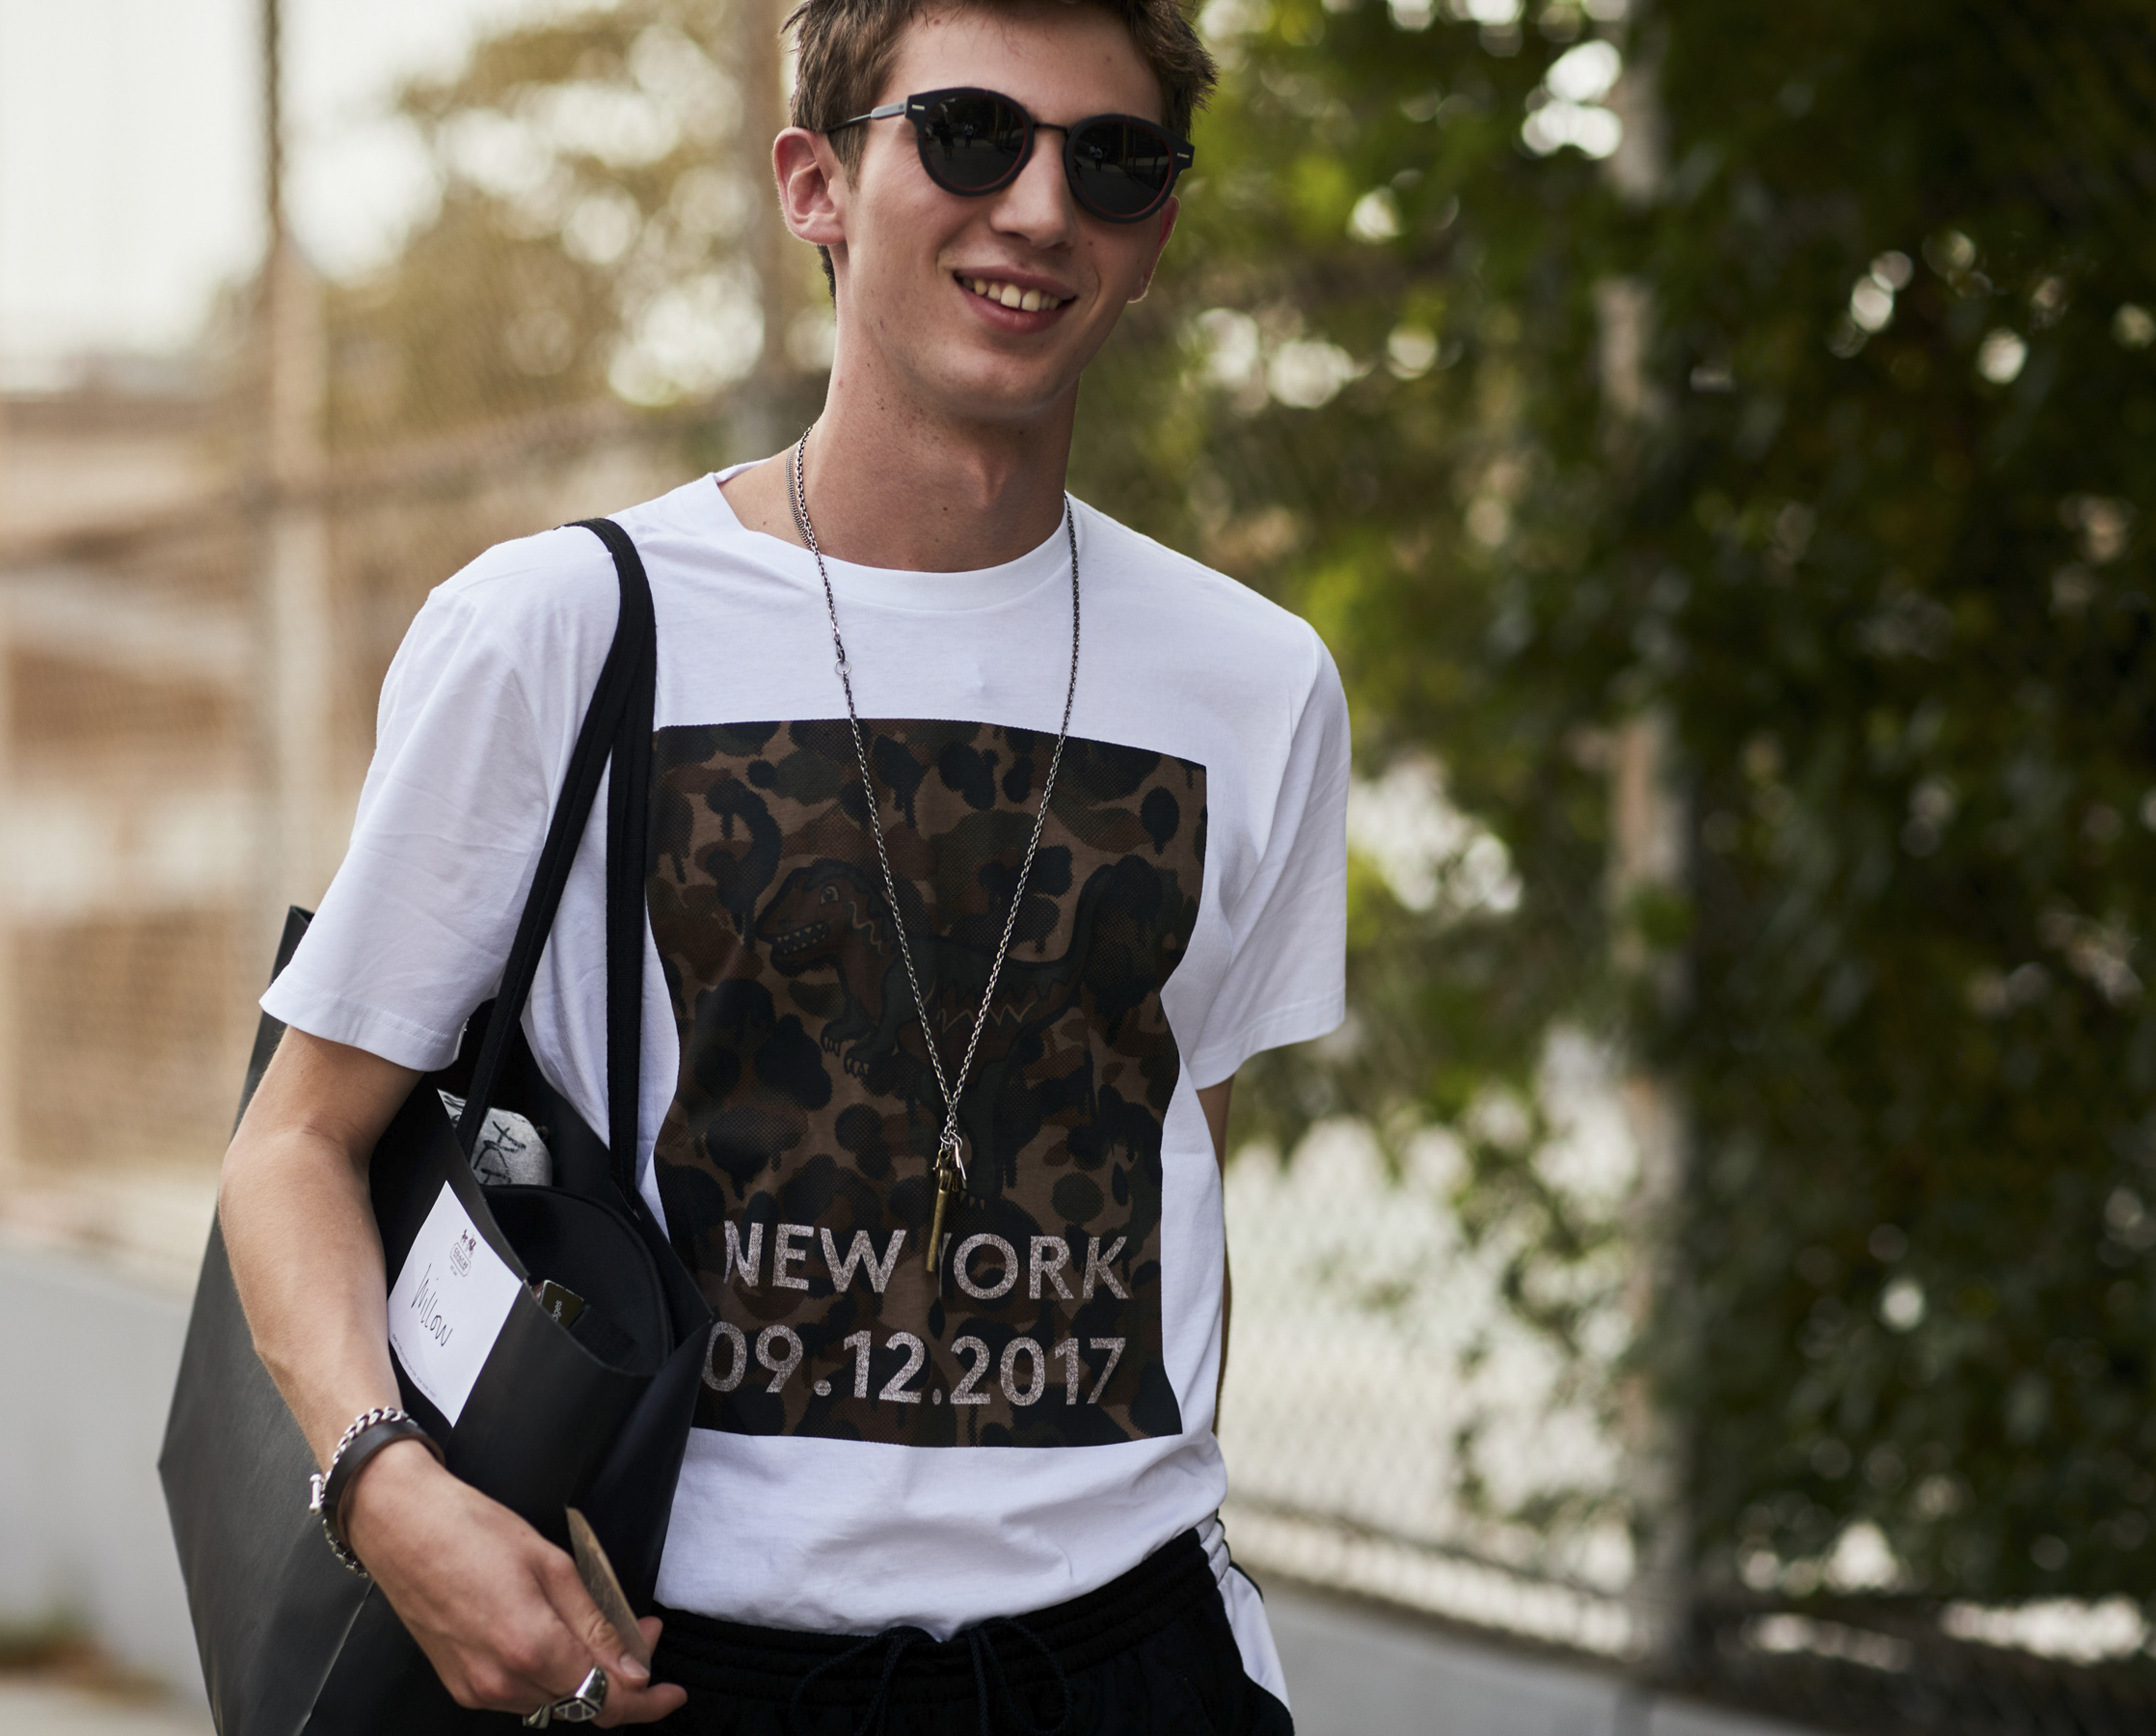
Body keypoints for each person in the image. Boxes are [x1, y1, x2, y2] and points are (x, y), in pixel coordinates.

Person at [219, 0, 1346, 1727]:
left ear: (1158, 231)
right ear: (816, 183)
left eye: (1114, 160)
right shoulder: (565, 629)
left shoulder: (1255, 684)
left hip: (1135, 1665)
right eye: (970, 133)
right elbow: (295, 1145)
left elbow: (1174, 1150)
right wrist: (386, 1491)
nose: (1042, 206)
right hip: (686, 1670)